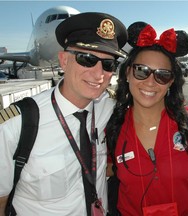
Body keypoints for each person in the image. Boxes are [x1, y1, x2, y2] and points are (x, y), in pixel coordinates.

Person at [0, 12, 127, 216]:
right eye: (86, 59)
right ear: (64, 61)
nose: (98, 74)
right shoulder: (17, 125)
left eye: (108, 64)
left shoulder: (108, 107)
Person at [105, 21, 188, 216]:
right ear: (128, 73)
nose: (150, 82)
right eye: (141, 71)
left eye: (162, 75)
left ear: (171, 82)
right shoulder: (111, 126)